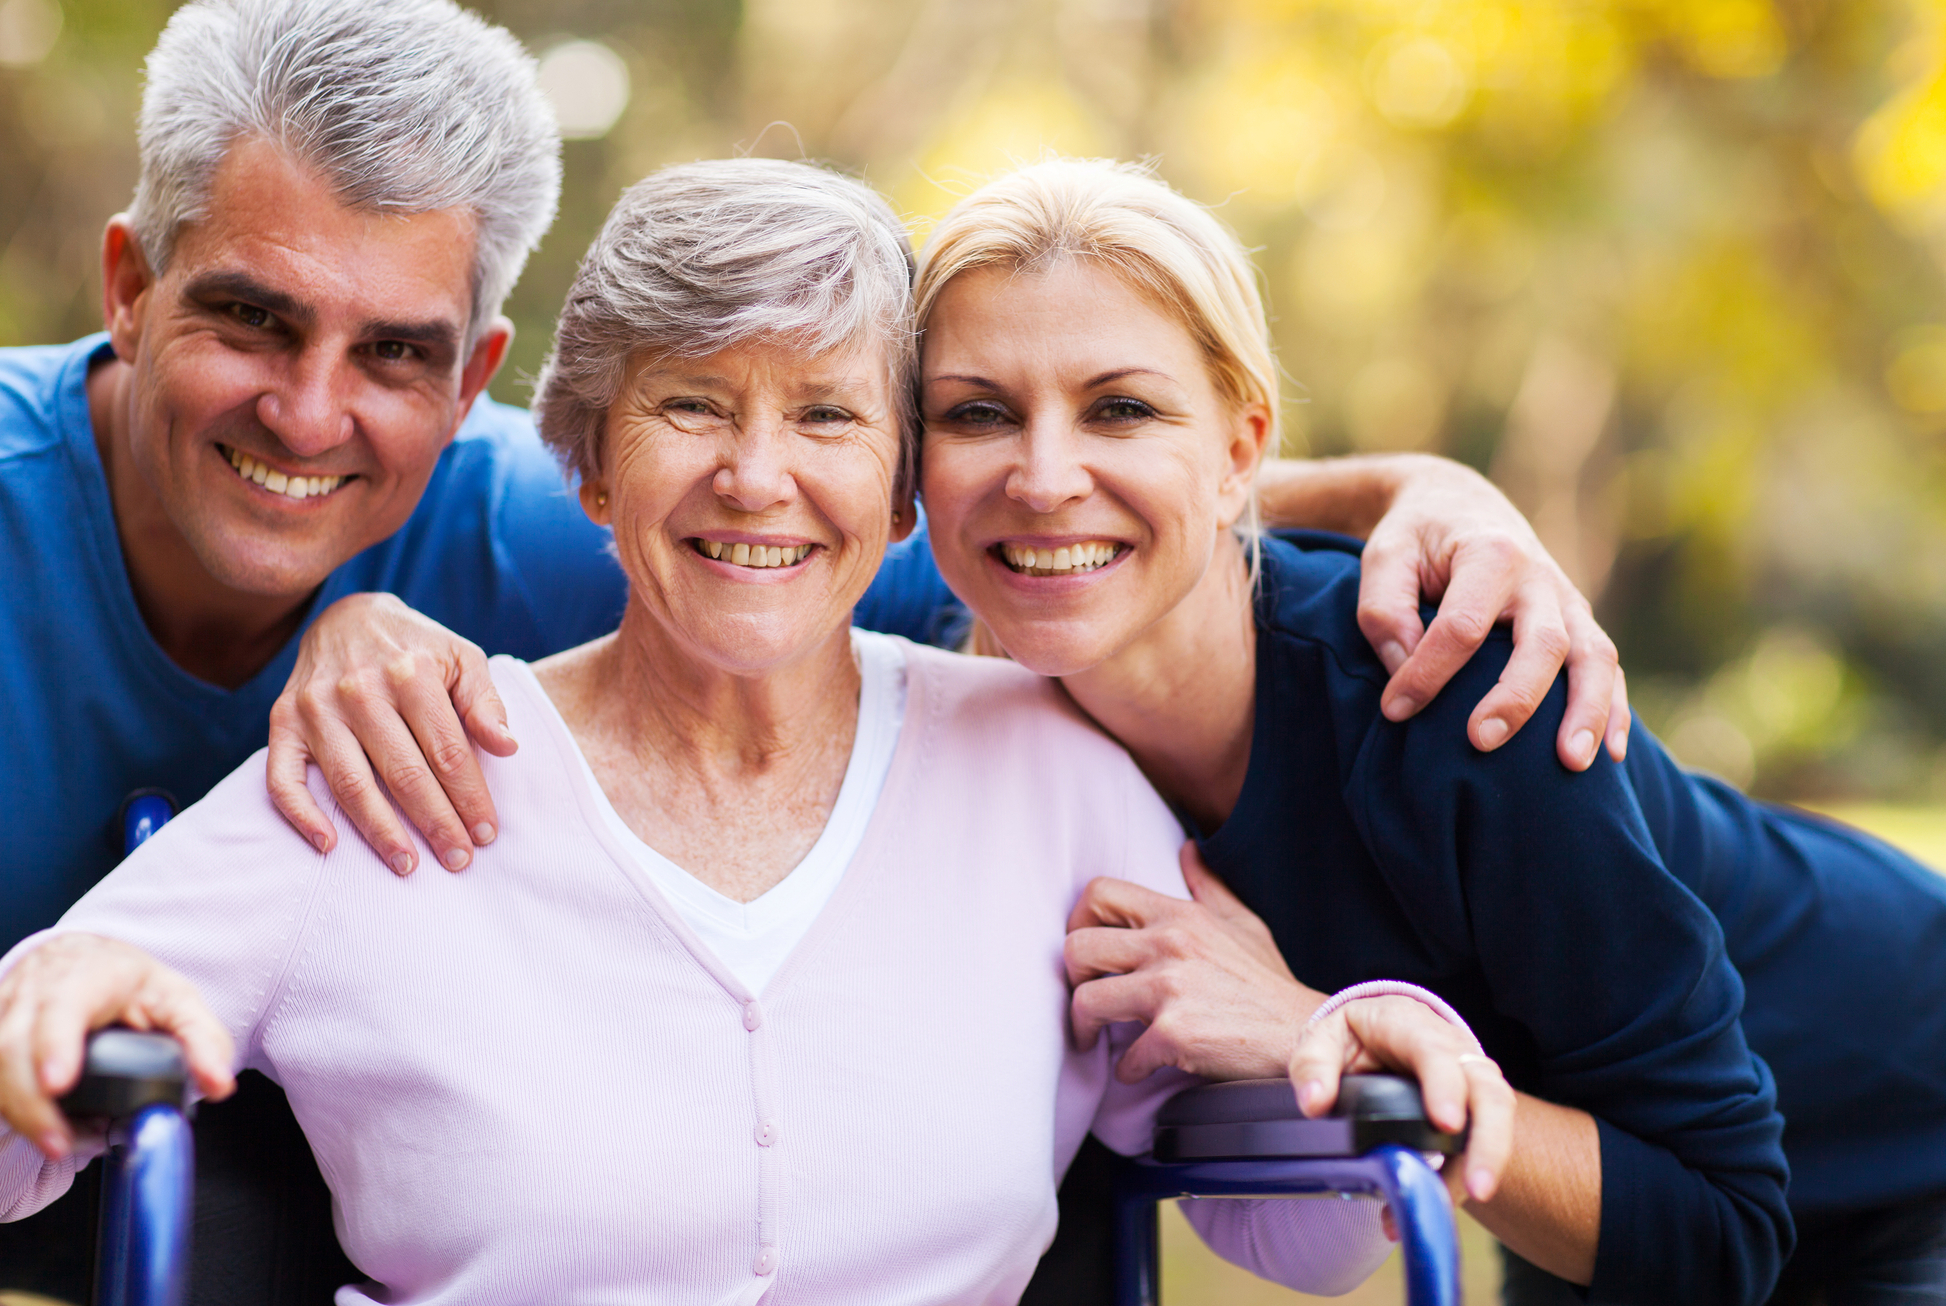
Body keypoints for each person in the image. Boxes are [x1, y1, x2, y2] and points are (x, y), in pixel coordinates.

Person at [0, 0, 1616, 1295]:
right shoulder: (380, 772)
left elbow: (1311, 1235)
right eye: (689, 406)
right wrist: (12, 1018)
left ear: (907, 493)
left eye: (828, 415)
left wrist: (1336, 1028)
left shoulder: (1043, 766)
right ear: (582, 459)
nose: (760, 476)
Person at [307, 159, 1823, 1303]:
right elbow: (651, 514)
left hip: (1862, 1144)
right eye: (974, 414)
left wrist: (1311, 1027)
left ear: (1240, 448)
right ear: (914, 470)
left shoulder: (1449, 685)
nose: (1040, 480)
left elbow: (1728, 1225)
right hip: (1571, 1205)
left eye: (1118, 410)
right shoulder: (938, 647)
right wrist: (355, 618)